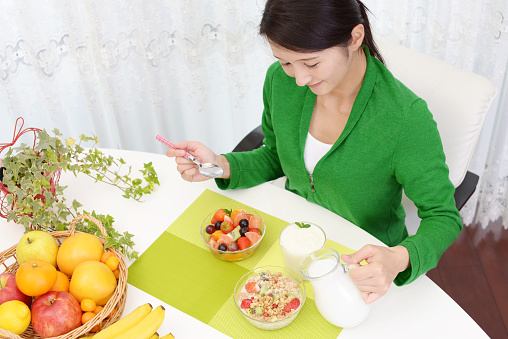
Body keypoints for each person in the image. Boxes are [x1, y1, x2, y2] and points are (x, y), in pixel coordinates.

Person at [166, 0, 462, 304]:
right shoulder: (280, 81)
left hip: (361, 266)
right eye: (285, 62)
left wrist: (398, 259)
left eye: (311, 63)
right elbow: (277, 156)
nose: (299, 79)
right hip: (293, 240)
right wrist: (220, 164)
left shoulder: (405, 118)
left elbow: (443, 217)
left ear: (356, 37)